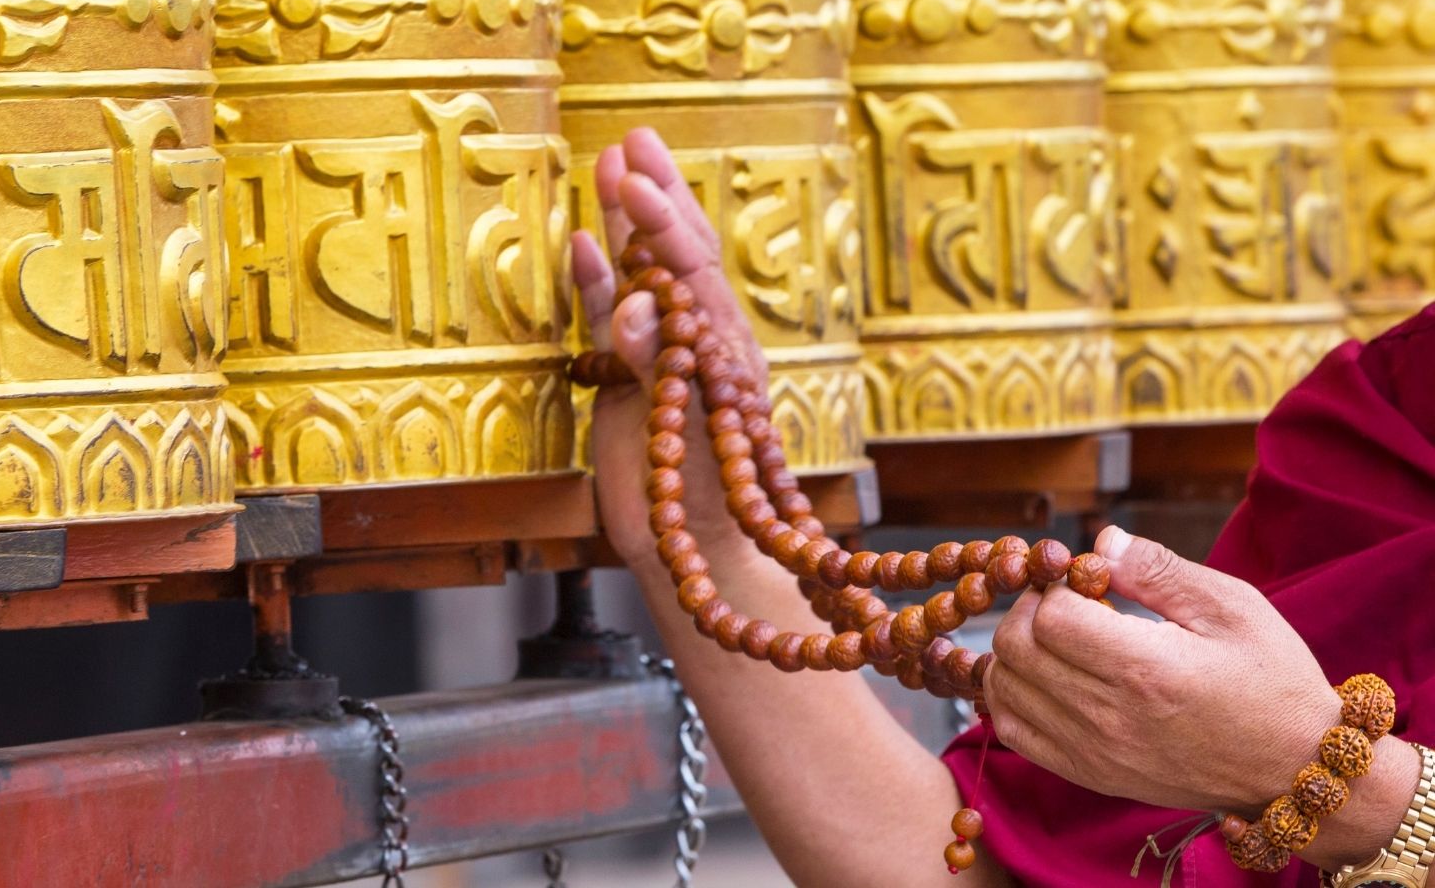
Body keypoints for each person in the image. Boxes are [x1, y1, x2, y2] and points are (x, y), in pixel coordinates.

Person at [575, 129, 1435, 886]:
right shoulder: (1402, 410)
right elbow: (969, 873)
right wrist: (713, 533)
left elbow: (1304, 770)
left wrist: (1349, 789)